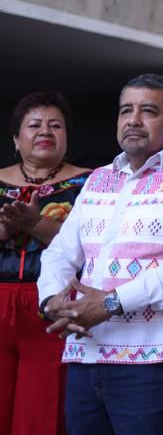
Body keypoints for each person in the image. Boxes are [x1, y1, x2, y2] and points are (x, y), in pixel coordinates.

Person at [37, 74, 163, 435]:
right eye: (126, 111)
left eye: (148, 110)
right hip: (85, 355)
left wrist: (111, 303)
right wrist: (50, 301)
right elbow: (60, 252)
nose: (133, 120)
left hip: (153, 364)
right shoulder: (97, 179)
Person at [0, 92, 91, 435]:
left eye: (56, 125)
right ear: (15, 137)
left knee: (41, 414)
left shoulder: (91, 182)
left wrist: (35, 224)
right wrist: (4, 229)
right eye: (34, 125)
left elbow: (88, 244)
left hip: (52, 305)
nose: (45, 132)